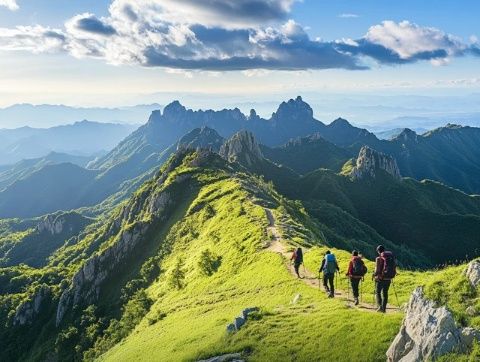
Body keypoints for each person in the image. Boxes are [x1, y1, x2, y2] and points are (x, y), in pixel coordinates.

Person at [374, 245, 396, 313]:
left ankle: (380, 306)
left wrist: (374, 274)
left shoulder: (379, 258)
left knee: (377, 292)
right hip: (389, 278)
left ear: (378, 251)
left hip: (381, 278)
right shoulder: (390, 256)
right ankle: (384, 309)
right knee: (385, 293)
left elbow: (377, 271)